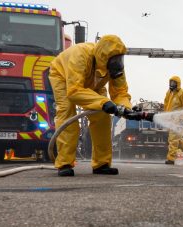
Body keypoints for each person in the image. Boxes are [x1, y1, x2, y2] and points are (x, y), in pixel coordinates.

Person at [48, 34, 134, 177]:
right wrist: (104, 102)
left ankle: (102, 164)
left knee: (103, 118)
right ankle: (65, 163)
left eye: (120, 59)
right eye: (115, 60)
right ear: (103, 57)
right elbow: (74, 91)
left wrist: (125, 108)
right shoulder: (80, 56)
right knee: (66, 113)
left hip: (93, 82)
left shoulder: (115, 65)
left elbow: (120, 92)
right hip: (63, 77)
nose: (118, 63)